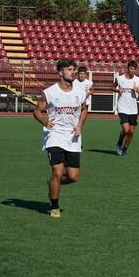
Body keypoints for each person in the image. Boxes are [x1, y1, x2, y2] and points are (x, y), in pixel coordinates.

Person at [33, 59, 89, 218]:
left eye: (74, 69)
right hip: (55, 135)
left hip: (73, 137)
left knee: (73, 177)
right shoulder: (49, 92)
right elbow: (37, 111)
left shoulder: (80, 92)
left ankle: (52, 185)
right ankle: (54, 207)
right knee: (57, 172)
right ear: (60, 72)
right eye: (69, 69)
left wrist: (80, 125)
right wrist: (43, 120)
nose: (73, 72)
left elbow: (84, 110)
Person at [112, 60, 139, 156]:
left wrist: (138, 91)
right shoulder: (119, 78)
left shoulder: (138, 80)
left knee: (131, 132)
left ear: (136, 70)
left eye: (134, 69)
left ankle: (124, 149)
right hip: (122, 108)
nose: (132, 70)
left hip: (133, 109)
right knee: (126, 130)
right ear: (127, 68)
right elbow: (112, 87)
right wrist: (118, 90)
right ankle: (119, 142)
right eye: (131, 68)